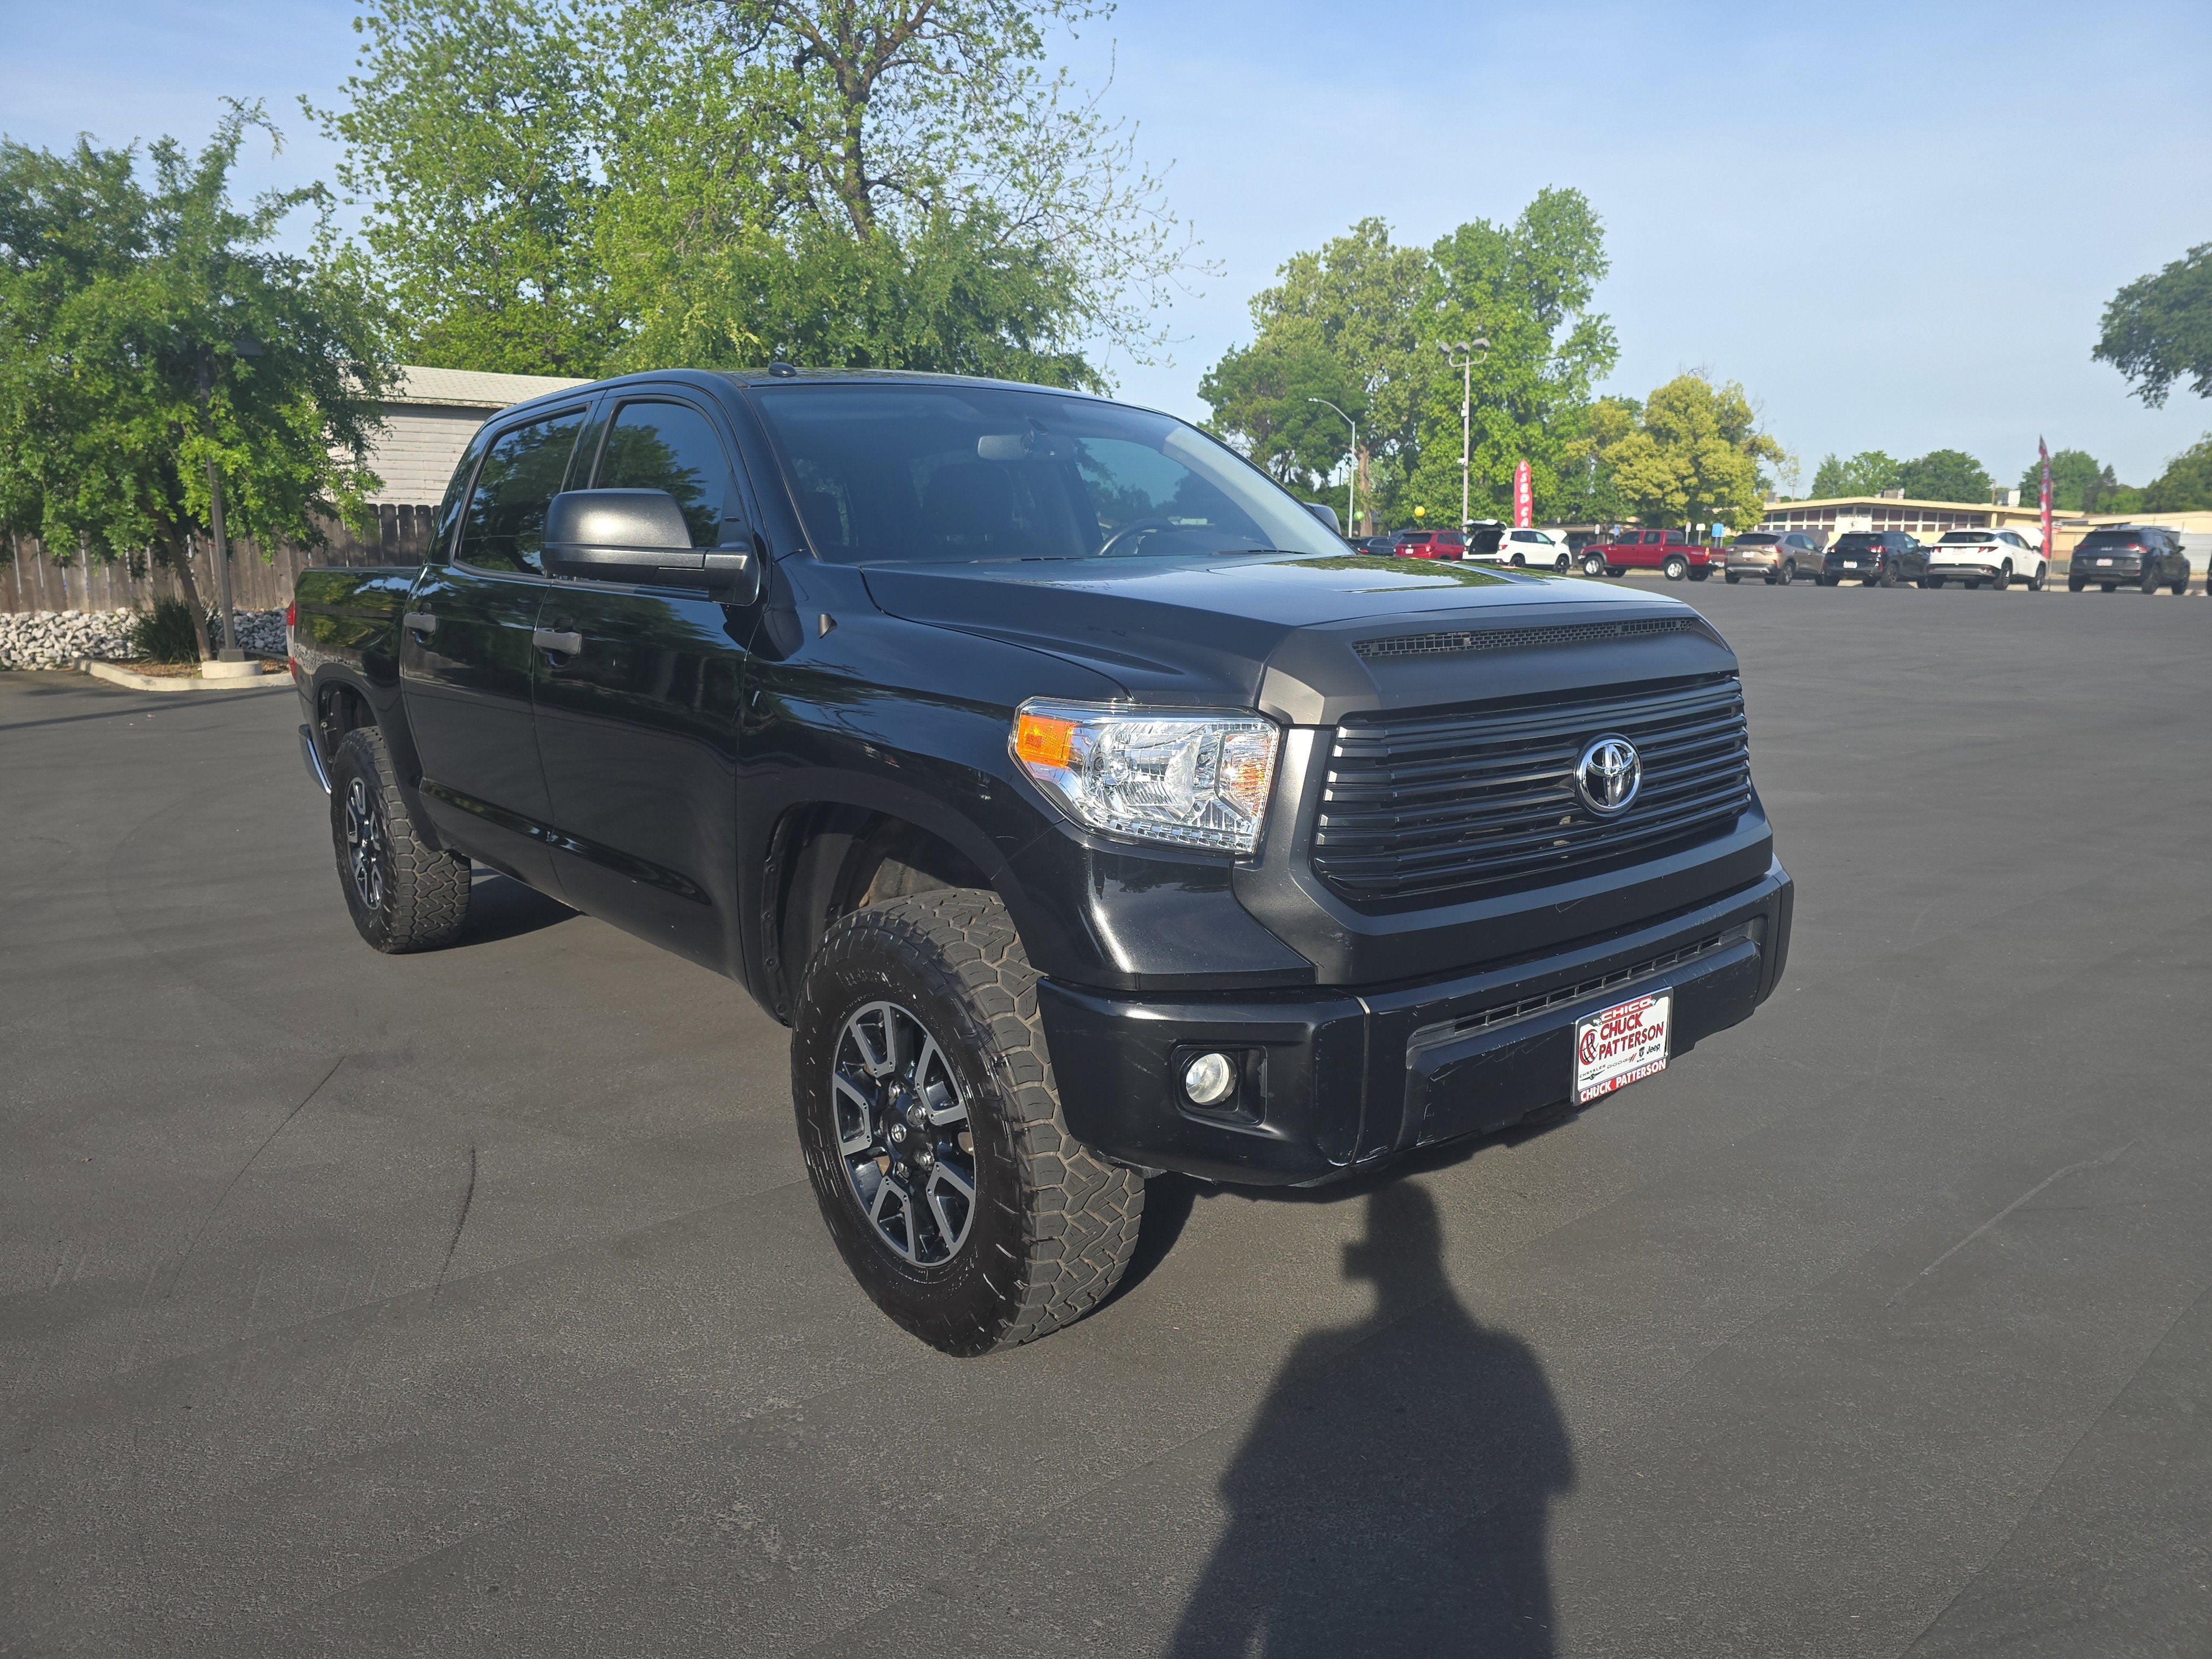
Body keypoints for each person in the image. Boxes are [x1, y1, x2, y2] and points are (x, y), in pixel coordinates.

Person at [1168, 1182, 1575, 1657]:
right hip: (1505, 1589)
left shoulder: (1316, 1348)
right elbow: (1556, 1472)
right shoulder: (1509, 1354)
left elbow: (1245, 1489)